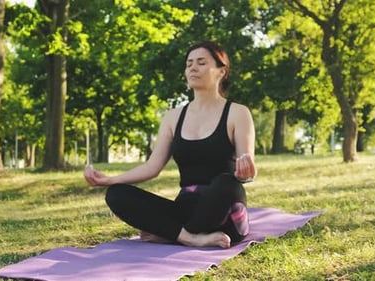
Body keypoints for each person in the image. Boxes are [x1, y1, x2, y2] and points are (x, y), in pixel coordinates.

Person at [84, 41, 256, 249]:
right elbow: (152, 167)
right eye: (189, 63)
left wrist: (246, 173)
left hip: (223, 208)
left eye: (201, 62)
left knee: (227, 183)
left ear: (221, 71)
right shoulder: (173, 117)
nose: (192, 67)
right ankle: (190, 237)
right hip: (186, 208)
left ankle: (172, 233)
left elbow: (246, 168)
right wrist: (110, 180)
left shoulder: (238, 112)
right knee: (117, 194)